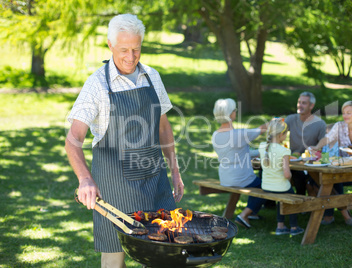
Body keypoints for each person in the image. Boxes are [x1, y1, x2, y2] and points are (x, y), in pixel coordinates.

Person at [65, 14, 184, 268]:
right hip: (115, 187)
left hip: (155, 180)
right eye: (123, 50)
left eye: (136, 49)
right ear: (110, 45)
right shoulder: (97, 84)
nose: (130, 57)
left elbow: (164, 127)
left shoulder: (152, 77)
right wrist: (85, 178)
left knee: (164, 252)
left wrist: (175, 171)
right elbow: (73, 139)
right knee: (114, 259)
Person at [311, 100, 352, 226]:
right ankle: (341, 212)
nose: (345, 116)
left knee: (331, 180)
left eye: (349, 113)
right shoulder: (339, 126)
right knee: (323, 179)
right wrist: (316, 147)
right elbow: (327, 139)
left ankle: (331, 215)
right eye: (344, 113)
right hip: (341, 169)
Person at [211, 98, 268, 228]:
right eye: (235, 110)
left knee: (257, 183)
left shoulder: (215, 135)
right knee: (267, 185)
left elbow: (237, 152)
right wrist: (275, 121)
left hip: (225, 178)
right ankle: (244, 215)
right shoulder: (239, 134)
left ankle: (253, 212)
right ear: (231, 114)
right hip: (240, 178)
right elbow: (262, 129)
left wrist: (259, 152)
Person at [258, 118, 304, 236]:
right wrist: (290, 178)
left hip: (266, 186)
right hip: (280, 187)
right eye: (286, 134)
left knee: (281, 198)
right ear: (281, 135)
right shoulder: (284, 150)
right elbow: (287, 174)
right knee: (292, 197)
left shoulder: (262, 146)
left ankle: (280, 226)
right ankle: (294, 227)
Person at [285, 92, 326, 196]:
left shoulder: (320, 124)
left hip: (310, 163)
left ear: (311, 106)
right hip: (293, 160)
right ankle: (269, 203)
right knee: (265, 169)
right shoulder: (291, 119)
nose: (300, 105)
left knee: (300, 175)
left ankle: (301, 203)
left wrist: (316, 148)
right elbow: (279, 131)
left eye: (304, 103)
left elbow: (324, 143)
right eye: (299, 102)